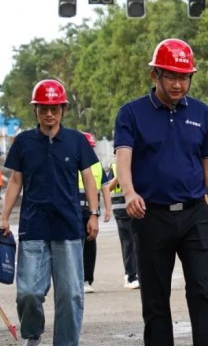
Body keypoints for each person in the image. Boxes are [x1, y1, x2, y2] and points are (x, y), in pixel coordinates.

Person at [113, 38, 208, 346]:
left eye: (184, 77)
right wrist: (131, 192)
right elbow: (123, 156)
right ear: (155, 76)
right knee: (155, 299)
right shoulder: (131, 113)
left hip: (195, 216)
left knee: (204, 293)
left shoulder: (201, 113)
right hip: (151, 217)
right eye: (171, 76)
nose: (178, 84)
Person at [0, 79, 100, 346]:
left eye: (54, 108)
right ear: (35, 110)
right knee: (28, 293)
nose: (49, 114)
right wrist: (3, 217)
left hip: (68, 228)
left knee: (70, 295)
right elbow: (16, 182)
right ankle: (32, 334)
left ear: (63, 109)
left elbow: (89, 178)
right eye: (43, 108)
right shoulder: (23, 143)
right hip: (33, 227)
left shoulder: (77, 141)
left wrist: (93, 214)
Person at [80, 132, 112, 294]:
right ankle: (77, 279)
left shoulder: (96, 164)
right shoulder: (73, 161)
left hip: (90, 211)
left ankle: (87, 279)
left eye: (91, 148)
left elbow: (105, 187)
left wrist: (107, 208)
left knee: (89, 245)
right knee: (73, 246)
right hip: (73, 210)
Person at [108, 162, 140, 289]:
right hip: (121, 210)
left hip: (137, 208)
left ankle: (138, 274)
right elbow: (108, 187)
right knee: (128, 243)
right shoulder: (115, 167)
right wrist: (120, 175)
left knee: (139, 242)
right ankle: (130, 276)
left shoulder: (139, 163)